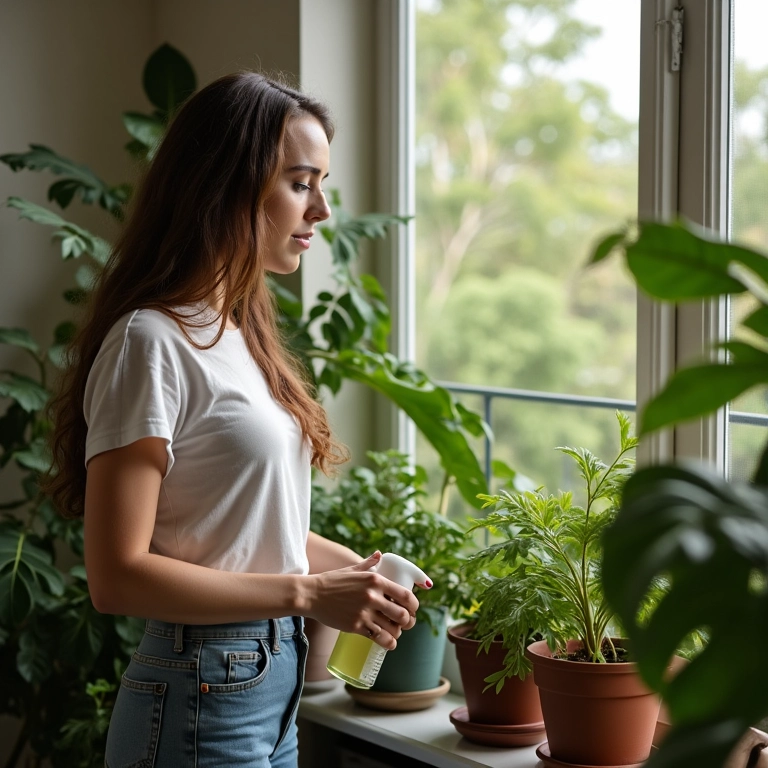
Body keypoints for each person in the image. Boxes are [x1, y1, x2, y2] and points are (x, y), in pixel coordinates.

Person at [43, 71, 427, 768]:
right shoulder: (149, 342)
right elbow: (116, 574)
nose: (323, 213)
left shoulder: (238, 337)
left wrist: (357, 575)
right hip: (201, 691)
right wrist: (313, 592)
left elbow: (235, 529)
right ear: (225, 185)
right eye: (301, 184)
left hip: (269, 689)